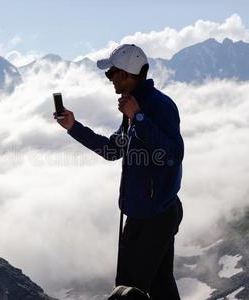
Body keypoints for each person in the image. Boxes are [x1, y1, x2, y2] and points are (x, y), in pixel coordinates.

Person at [54, 44, 184, 299]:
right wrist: (73, 127)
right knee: (160, 285)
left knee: (126, 290)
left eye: (111, 73)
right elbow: (113, 150)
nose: (109, 79)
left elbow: (173, 156)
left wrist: (139, 117)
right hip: (144, 212)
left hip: (156, 215)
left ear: (126, 73)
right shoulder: (132, 107)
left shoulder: (158, 106)